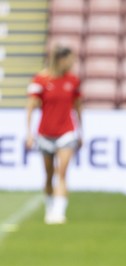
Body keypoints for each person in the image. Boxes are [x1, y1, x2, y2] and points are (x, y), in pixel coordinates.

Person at [25, 44, 82, 225]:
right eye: (69, 59)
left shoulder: (73, 81)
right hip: (45, 133)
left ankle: (58, 211)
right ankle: (50, 206)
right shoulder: (40, 81)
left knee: (62, 172)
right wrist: (29, 133)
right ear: (60, 59)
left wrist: (81, 131)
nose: (72, 63)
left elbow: (78, 107)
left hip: (67, 132)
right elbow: (31, 107)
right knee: (49, 174)